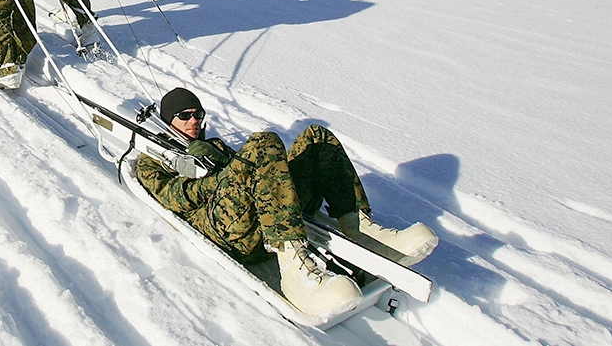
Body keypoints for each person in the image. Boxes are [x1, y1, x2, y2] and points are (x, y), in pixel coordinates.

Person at [135, 87, 438, 318]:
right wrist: (221, 172)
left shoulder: (212, 145)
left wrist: (223, 159)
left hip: (254, 217)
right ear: (168, 120)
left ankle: (360, 228)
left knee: (317, 138)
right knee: (262, 144)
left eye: (197, 115)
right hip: (225, 232)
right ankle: (296, 273)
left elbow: (249, 175)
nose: (193, 121)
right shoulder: (153, 156)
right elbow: (176, 199)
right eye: (184, 116)